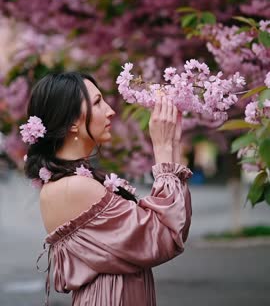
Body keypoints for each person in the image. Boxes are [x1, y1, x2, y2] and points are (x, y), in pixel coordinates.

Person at [23, 71, 193, 306]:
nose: (110, 110)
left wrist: (172, 143)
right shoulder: (74, 187)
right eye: (97, 102)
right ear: (72, 122)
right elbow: (164, 238)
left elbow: (172, 228)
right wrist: (162, 146)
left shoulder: (70, 182)